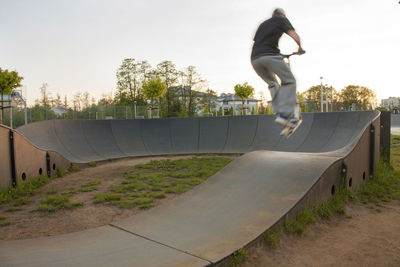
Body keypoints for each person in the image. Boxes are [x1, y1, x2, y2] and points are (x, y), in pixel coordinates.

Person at [251, 8, 303, 129]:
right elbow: (294, 35)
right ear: (282, 15)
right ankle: (285, 114)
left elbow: (259, 43)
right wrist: (300, 47)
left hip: (255, 59)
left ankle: (279, 113)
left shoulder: (263, 24)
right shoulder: (281, 19)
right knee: (289, 81)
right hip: (269, 55)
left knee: (273, 83)